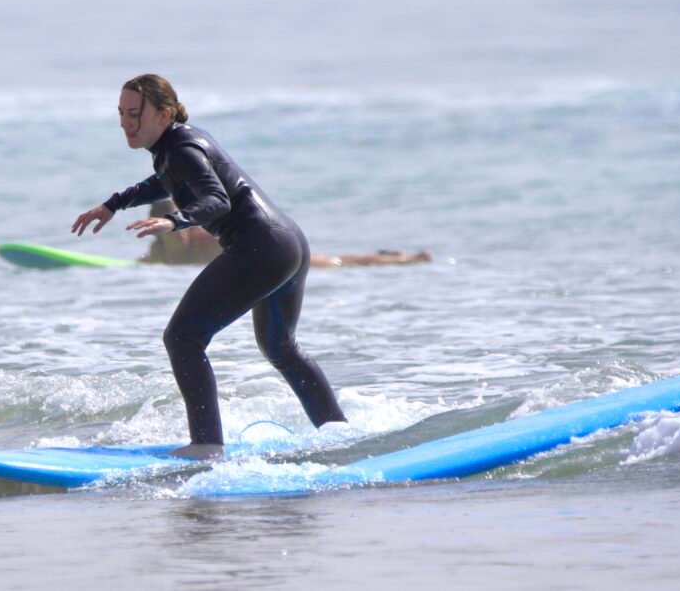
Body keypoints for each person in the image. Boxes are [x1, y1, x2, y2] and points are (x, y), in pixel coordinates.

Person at [72, 74, 347, 459]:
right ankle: (338, 434)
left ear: (164, 114)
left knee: (182, 337)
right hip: (286, 244)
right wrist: (113, 204)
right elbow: (163, 183)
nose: (124, 123)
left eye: (134, 113)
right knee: (281, 348)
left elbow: (217, 201)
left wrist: (175, 220)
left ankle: (206, 444)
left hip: (261, 247)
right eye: (120, 113)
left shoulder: (182, 149)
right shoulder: (178, 145)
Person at [139, 200, 432, 268]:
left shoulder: (205, 239)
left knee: (334, 264)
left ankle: (401, 260)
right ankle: (385, 257)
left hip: (273, 254)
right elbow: (139, 268)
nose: (179, 232)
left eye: (180, 223)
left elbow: (247, 251)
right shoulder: (158, 252)